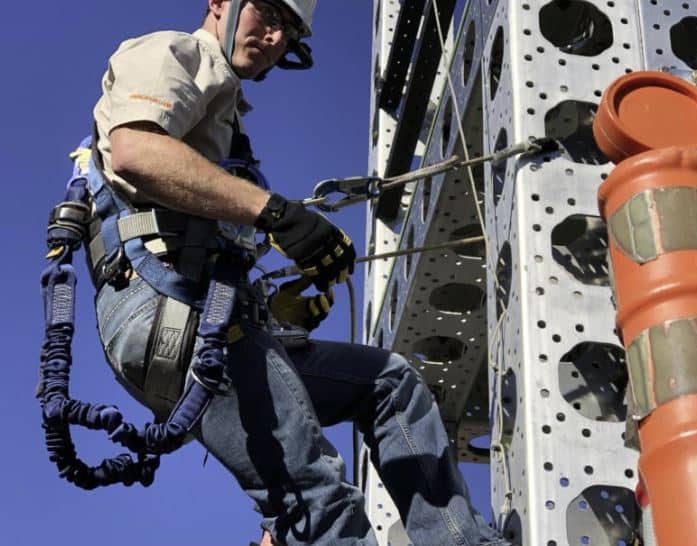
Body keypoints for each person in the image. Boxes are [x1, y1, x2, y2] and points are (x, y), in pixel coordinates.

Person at [87, 1, 506, 544]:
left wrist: (277, 307)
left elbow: (200, 236)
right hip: (168, 310)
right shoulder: (176, 51)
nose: (274, 36)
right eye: (267, 12)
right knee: (319, 501)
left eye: (289, 30)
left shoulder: (223, 115)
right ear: (220, 2)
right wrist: (277, 213)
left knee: (388, 382)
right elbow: (135, 151)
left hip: (207, 312)